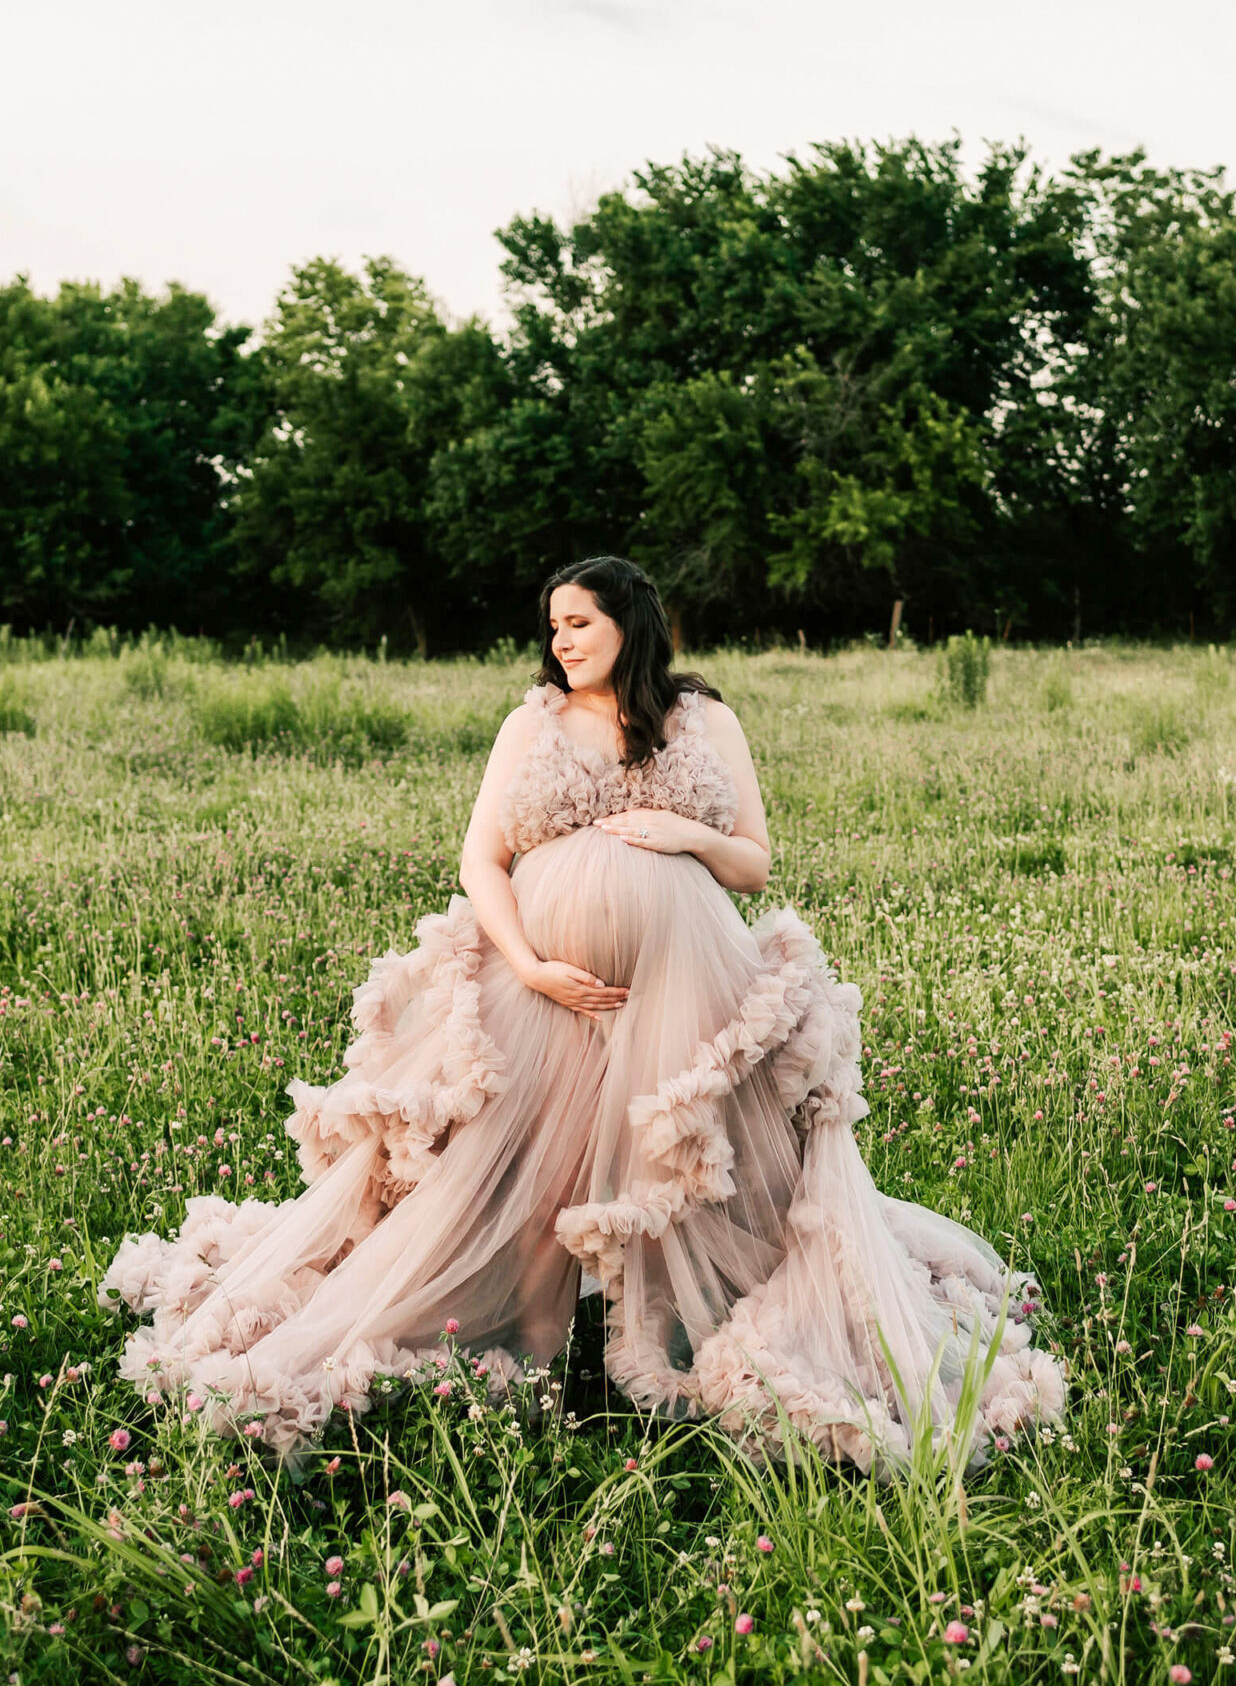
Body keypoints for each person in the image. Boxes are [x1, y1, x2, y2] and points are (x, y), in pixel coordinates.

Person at [101, 557, 1065, 1472]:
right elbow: (480, 860)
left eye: (580, 622)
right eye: (553, 626)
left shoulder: (701, 718)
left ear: (628, 623)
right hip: (547, 987)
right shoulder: (534, 722)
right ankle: (532, 1364)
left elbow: (754, 861)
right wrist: (530, 963)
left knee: (686, 1179)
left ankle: (653, 1348)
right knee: (520, 1170)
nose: (562, 641)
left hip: (682, 985)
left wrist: (683, 832)